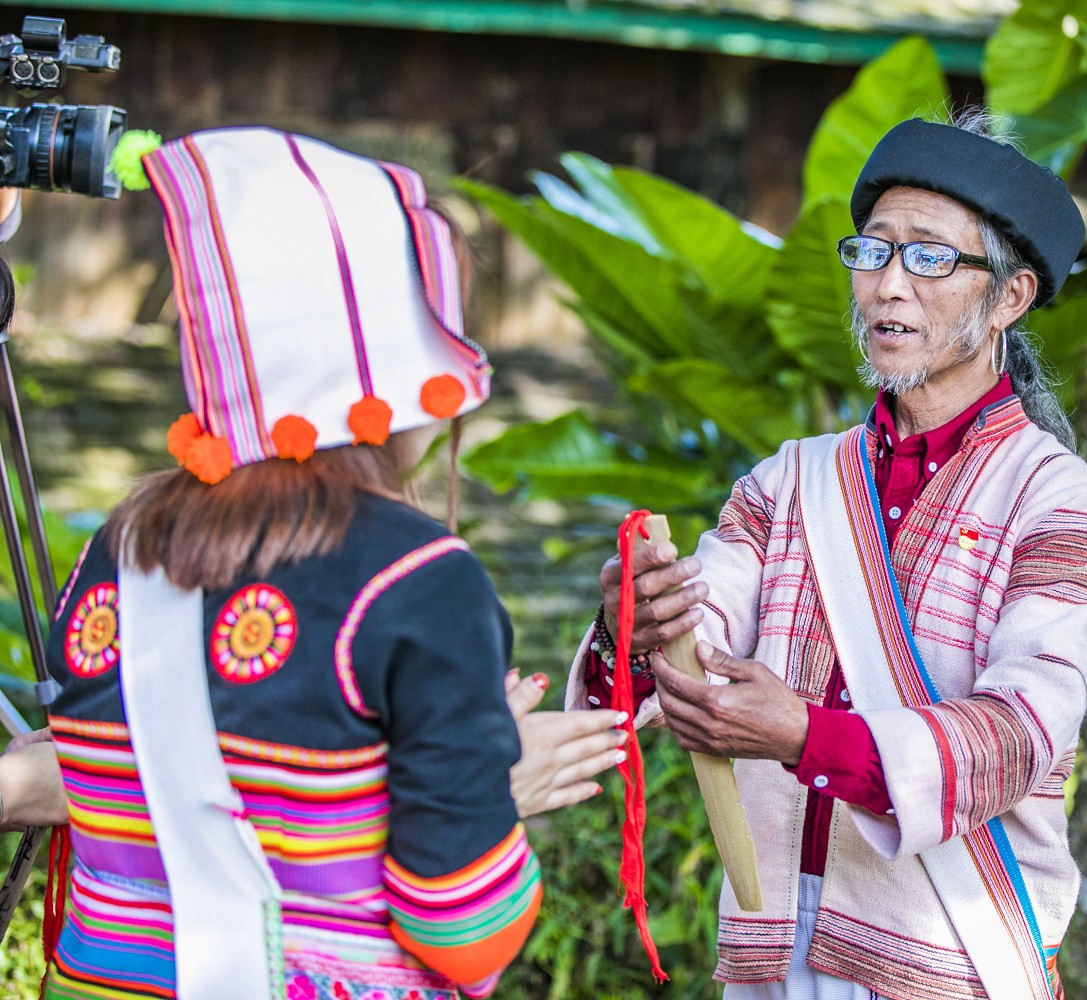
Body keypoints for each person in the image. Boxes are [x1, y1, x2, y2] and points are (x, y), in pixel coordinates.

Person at [0, 127, 629, 1000]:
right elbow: (464, 934)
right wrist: (492, 785)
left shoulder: (123, 543)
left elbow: (170, 798)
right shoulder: (419, 583)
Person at [567, 114, 1087, 1000]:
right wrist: (638, 621)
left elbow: (1024, 734)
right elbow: (693, 644)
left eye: (930, 258)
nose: (888, 287)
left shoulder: (1056, 500)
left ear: (1010, 298)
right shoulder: (789, 480)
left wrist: (803, 737)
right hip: (769, 944)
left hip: (949, 954)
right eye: (872, 253)